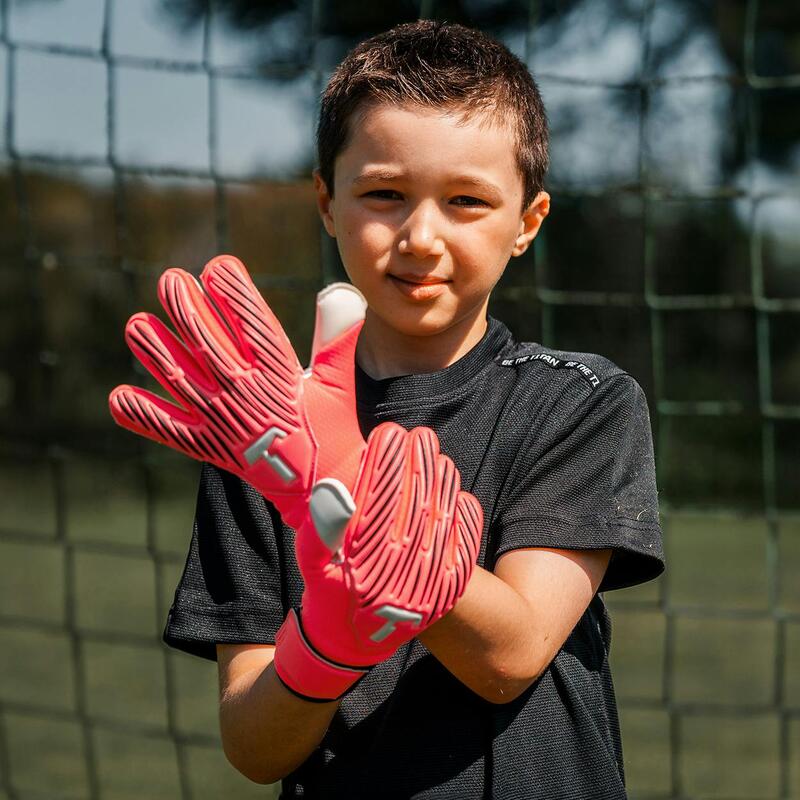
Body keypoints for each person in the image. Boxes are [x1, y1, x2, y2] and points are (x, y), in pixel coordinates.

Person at [162, 19, 665, 800]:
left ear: (526, 223)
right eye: (385, 194)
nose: (421, 237)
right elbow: (255, 749)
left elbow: (510, 658)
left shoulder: (580, 403)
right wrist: (323, 650)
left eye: (467, 200)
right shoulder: (260, 436)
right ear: (327, 203)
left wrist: (356, 500)